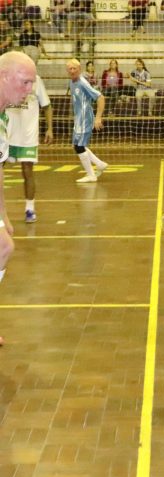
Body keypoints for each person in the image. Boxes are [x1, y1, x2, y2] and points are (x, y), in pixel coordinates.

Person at [0, 51, 36, 317]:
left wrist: (3, 216)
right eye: (24, 82)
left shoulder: (3, 118)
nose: (29, 90)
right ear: (4, 77)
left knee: (4, 246)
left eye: (32, 83)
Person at [6, 62, 53, 223]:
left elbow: (46, 106)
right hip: (7, 134)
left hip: (28, 135)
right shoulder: (5, 79)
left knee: (27, 171)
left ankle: (30, 209)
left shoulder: (36, 80)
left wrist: (49, 129)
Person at [66, 58, 107, 183]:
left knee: (79, 146)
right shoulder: (72, 82)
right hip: (78, 118)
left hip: (85, 118)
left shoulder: (83, 83)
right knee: (77, 145)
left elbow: (100, 97)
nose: (72, 71)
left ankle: (91, 175)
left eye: (75, 68)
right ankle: (99, 164)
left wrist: (98, 117)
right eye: (70, 69)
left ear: (79, 69)